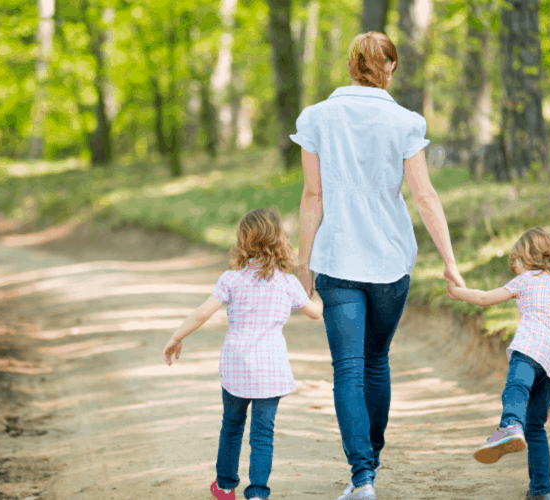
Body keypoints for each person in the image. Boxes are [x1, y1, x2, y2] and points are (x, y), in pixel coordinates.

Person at [291, 31, 466, 500]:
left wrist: (303, 265)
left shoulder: (317, 118)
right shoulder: (405, 122)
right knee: (375, 361)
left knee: (347, 368)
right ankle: (373, 460)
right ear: (389, 68)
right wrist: (450, 262)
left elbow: (313, 195)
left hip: (339, 257)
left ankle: (362, 477)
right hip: (391, 261)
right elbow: (424, 196)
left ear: (351, 65)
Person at [161, 207, 323, 500]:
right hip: (270, 370)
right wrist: (318, 289)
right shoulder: (287, 283)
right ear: (280, 240)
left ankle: (224, 486)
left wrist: (176, 337)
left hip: (237, 367)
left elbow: (202, 313)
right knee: (263, 434)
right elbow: (315, 313)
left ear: (243, 241)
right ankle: (258, 493)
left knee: (232, 426)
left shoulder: (232, 279)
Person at [445, 227, 550, 500]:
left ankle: (509, 425)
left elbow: (485, 298)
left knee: (517, 387)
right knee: (535, 425)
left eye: (516, 265)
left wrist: (459, 292)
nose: (515, 272)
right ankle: (541, 491)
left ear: (530, 258)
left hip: (532, 347)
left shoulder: (529, 279)